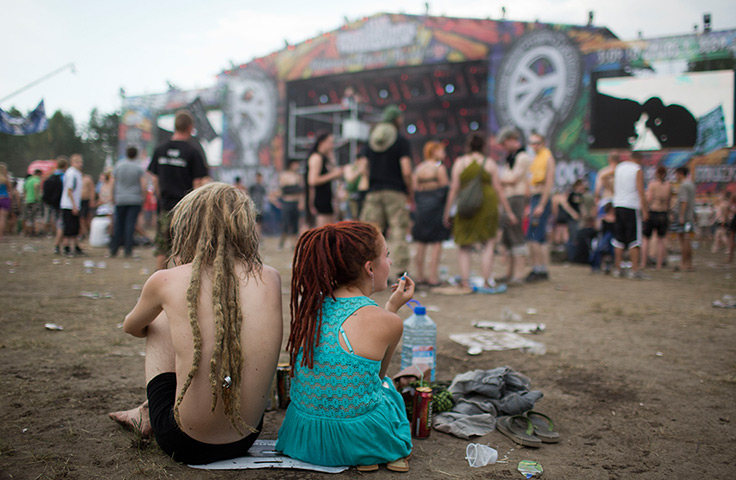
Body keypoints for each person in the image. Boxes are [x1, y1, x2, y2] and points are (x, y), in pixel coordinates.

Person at [108, 182, 282, 465]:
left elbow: (132, 327)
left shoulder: (167, 279)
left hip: (184, 442)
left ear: (188, 225)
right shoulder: (270, 278)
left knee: (163, 318)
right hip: (246, 436)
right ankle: (150, 407)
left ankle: (148, 413)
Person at [276, 221, 414, 471]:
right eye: (387, 256)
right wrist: (392, 309)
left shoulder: (310, 308)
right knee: (389, 389)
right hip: (358, 438)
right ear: (370, 267)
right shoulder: (389, 322)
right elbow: (376, 379)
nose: (390, 263)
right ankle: (372, 452)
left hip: (303, 438)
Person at [443, 134, 517, 292]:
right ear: (484, 147)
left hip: (465, 207)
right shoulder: (489, 163)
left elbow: (454, 189)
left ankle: (464, 282)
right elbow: (498, 189)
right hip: (487, 206)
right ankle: (486, 281)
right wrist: (509, 211)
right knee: (488, 244)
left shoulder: (460, 162)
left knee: (464, 245)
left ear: (468, 146)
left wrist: (447, 211)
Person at [148, 110, 210, 271]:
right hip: (185, 209)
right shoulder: (193, 152)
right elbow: (198, 183)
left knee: (162, 249)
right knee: (183, 249)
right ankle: (179, 285)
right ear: (190, 127)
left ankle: (161, 283)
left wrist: (161, 197)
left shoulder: (160, 149)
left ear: (175, 126)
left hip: (165, 207)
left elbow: (154, 179)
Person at [359, 105, 413, 278]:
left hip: (373, 192)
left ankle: (368, 271)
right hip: (395, 192)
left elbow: (363, 167)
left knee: (371, 234)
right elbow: (406, 170)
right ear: (397, 119)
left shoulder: (371, 140)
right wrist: (409, 190)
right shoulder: (401, 140)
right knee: (398, 231)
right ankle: (399, 273)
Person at [412, 141, 450, 287]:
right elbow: (445, 189)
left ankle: (420, 276)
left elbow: (415, 188)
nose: (444, 154)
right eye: (441, 151)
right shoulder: (439, 168)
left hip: (422, 207)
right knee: (436, 242)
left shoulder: (419, 168)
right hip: (436, 208)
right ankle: (433, 277)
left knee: (421, 242)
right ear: (434, 151)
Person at [497, 127, 531, 285]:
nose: (503, 147)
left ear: (511, 139)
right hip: (508, 199)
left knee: (516, 236)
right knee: (508, 238)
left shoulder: (522, 157)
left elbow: (513, 179)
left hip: (517, 198)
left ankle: (519, 274)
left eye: (504, 143)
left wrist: (495, 180)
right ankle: (509, 273)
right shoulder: (511, 158)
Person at [525, 131, 556, 282]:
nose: (534, 145)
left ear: (543, 143)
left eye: (537, 142)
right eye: (532, 143)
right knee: (539, 237)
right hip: (535, 198)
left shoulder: (547, 158)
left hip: (541, 199)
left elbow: (548, 183)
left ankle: (538, 269)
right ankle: (541, 269)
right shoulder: (536, 158)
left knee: (534, 236)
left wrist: (542, 205)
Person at [612, 151, 648, 279]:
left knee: (618, 240)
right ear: (639, 158)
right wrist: (645, 210)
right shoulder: (637, 169)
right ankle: (634, 270)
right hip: (631, 206)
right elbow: (640, 190)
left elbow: (605, 176)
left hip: (618, 205)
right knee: (634, 240)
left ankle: (618, 269)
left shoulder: (619, 167)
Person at [110, 146, 147, 258]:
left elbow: (113, 182)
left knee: (118, 224)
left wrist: (113, 196)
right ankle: (128, 249)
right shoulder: (138, 167)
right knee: (130, 224)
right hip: (134, 199)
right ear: (136, 154)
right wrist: (143, 196)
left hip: (120, 198)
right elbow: (143, 184)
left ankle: (114, 249)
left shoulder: (119, 165)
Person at [306, 133, 344, 227]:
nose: (332, 145)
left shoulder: (324, 158)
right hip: (319, 199)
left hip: (327, 198)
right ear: (322, 143)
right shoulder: (316, 157)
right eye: (330, 142)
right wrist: (333, 175)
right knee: (323, 231)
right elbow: (312, 180)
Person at [640, 166, 671, 270]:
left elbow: (648, 199)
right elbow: (669, 201)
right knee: (661, 240)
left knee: (645, 239)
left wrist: (644, 208)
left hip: (653, 212)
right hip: (663, 213)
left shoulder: (652, 185)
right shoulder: (668, 186)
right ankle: (659, 264)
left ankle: (643, 263)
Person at [60, 154, 86, 257]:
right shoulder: (71, 174)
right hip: (69, 205)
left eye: (80, 162)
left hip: (74, 204)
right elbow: (69, 190)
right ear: (72, 162)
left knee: (75, 227)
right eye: (77, 162)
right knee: (69, 228)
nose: (80, 164)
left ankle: (76, 246)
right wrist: (74, 205)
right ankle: (67, 247)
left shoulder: (77, 173)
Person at [277, 159, 303, 250]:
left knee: (295, 224)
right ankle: (282, 242)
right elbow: (283, 189)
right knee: (286, 224)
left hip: (295, 202)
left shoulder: (298, 176)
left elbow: (300, 192)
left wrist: (301, 202)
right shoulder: (284, 175)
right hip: (286, 202)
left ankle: (294, 244)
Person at [44, 156, 68, 252]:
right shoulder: (64, 177)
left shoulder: (51, 176)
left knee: (56, 222)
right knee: (61, 225)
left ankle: (60, 243)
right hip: (62, 203)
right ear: (65, 166)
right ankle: (57, 245)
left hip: (53, 203)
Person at [674, 166, 696, 272]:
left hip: (684, 217)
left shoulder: (683, 186)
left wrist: (681, 216)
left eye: (676, 173)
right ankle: (689, 264)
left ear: (680, 173)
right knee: (688, 240)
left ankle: (683, 263)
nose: (675, 176)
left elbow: (684, 201)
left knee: (683, 241)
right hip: (690, 216)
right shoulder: (691, 184)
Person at [23, 169, 43, 236]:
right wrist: (37, 197)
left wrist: (25, 199)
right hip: (35, 201)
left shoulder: (28, 180)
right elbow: (36, 186)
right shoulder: (37, 179)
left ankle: (30, 232)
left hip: (28, 200)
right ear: (39, 174)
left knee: (30, 217)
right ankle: (37, 233)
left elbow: (24, 190)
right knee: (37, 217)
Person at [80, 172, 95, 240]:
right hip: (79, 201)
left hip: (86, 200)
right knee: (81, 218)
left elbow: (92, 190)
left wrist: (92, 200)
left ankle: (89, 232)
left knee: (87, 218)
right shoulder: (77, 179)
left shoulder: (87, 179)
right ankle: (83, 232)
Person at [0, 163, 11, 241]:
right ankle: (1, 236)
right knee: (2, 219)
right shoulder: (6, 179)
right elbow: (9, 189)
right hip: (4, 198)